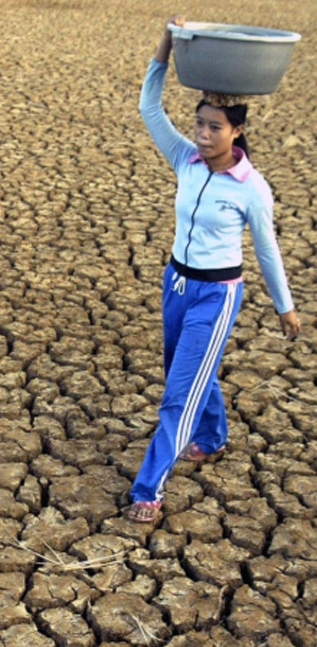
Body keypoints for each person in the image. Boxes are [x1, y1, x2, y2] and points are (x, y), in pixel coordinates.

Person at [126, 16, 302, 523]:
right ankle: (213, 436)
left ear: (237, 130)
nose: (203, 135)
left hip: (216, 294)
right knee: (186, 369)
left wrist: (284, 308)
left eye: (214, 128)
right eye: (200, 125)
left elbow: (267, 250)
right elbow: (148, 107)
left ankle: (148, 490)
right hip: (176, 283)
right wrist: (165, 44)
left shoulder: (251, 187)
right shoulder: (186, 159)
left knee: (177, 394)